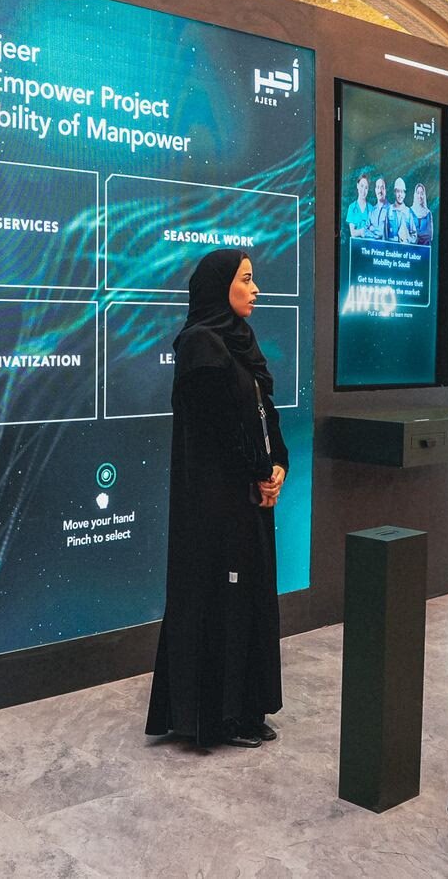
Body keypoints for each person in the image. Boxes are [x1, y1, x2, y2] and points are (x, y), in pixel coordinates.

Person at [146, 248, 287, 749]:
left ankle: (246, 707)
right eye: (246, 279)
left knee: (249, 599)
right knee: (220, 600)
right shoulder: (200, 345)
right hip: (215, 505)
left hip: (249, 499)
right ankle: (216, 717)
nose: (255, 289)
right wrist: (258, 471)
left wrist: (278, 465)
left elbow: (263, 412)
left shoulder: (240, 340)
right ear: (219, 286)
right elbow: (220, 429)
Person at [345, 170, 373, 238]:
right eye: (362, 186)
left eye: (366, 188)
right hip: (355, 243)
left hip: (368, 244)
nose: (363, 190)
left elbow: (373, 231)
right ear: (357, 186)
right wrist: (363, 231)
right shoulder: (352, 207)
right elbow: (353, 233)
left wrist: (360, 232)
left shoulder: (371, 209)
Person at [386, 177, 413, 242]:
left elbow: (414, 236)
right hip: (391, 247)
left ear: (404, 194)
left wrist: (407, 240)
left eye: (402, 192)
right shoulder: (389, 210)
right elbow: (385, 235)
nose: (400, 194)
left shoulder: (408, 212)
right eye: (398, 191)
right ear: (394, 193)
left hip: (405, 247)